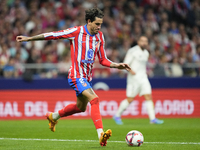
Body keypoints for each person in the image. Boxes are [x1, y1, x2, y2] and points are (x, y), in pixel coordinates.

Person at [16, 8, 131, 146]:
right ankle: (101, 135)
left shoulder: (100, 36)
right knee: (94, 100)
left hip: (87, 78)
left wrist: (116, 65)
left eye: (100, 24)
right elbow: (53, 35)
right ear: (89, 21)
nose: (99, 27)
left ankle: (54, 116)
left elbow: (102, 59)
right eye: (97, 24)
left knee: (80, 107)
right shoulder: (76, 32)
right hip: (76, 75)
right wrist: (29, 39)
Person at [113, 36, 164, 125]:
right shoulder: (133, 51)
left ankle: (153, 119)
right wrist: (131, 71)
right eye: (142, 41)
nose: (144, 43)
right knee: (130, 99)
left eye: (146, 41)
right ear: (138, 42)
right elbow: (125, 64)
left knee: (148, 96)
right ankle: (117, 115)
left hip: (143, 78)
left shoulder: (146, 53)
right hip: (133, 79)